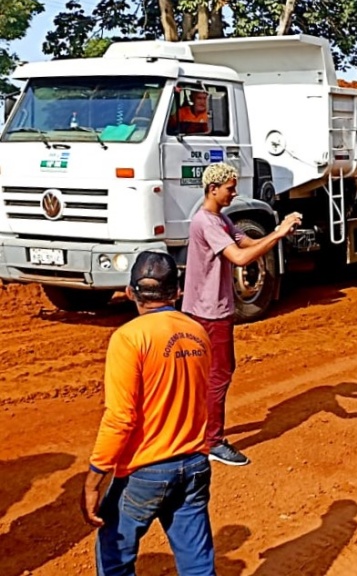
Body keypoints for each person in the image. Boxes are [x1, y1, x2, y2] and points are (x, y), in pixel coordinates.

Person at [81, 251, 215, 575]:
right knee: (198, 565)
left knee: (115, 558)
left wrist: (94, 479)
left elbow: (120, 417)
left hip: (145, 471)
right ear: (177, 292)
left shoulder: (129, 338)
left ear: (130, 292)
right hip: (194, 465)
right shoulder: (198, 332)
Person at [182, 162, 302, 466]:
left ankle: (196, 434)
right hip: (211, 312)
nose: (234, 193)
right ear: (213, 189)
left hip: (204, 309)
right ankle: (212, 442)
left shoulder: (219, 219)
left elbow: (248, 243)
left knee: (206, 375)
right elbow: (239, 257)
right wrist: (278, 234)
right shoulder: (208, 222)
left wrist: (277, 233)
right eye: (230, 188)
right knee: (219, 374)